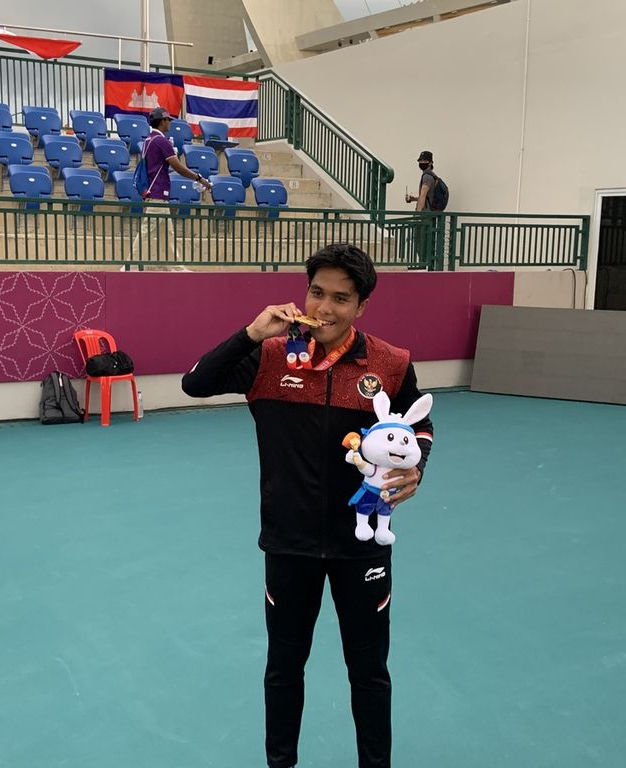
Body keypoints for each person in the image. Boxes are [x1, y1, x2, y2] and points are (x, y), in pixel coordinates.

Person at [181, 243, 434, 768]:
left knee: (369, 672)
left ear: (361, 305)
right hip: (288, 543)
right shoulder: (269, 357)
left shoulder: (390, 364)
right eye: (316, 292)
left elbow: (419, 426)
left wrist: (417, 466)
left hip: (361, 547)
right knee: (284, 668)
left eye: (341, 298)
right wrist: (253, 332)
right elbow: (195, 382)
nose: (324, 308)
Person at [133, 106, 212, 264]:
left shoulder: (149, 140)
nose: (169, 123)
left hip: (155, 193)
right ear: (162, 121)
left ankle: (174, 266)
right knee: (146, 232)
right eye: (168, 120)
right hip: (157, 194)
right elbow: (178, 167)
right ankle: (131, 265)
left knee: (167, 234)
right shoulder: (161, 141)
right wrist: (199, 178)